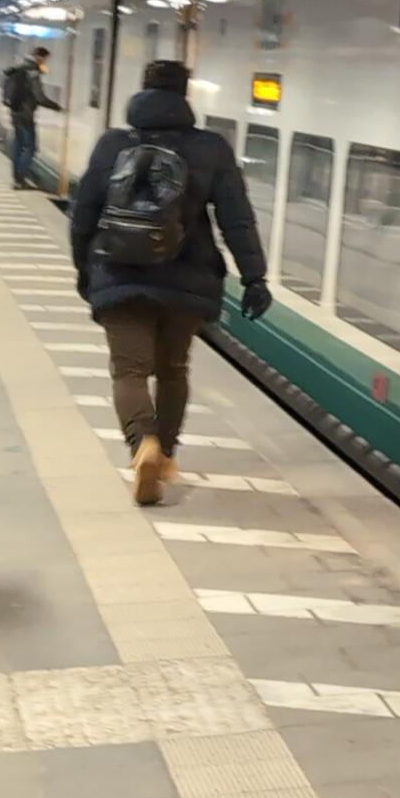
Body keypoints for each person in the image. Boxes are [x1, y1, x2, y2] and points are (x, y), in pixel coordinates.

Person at [67, 60, 268, 506]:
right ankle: (168, 454)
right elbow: (236, 219)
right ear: (185, 95)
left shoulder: (113, 144)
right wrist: (255, 277)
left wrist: (85, 270)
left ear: (142, 90)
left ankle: (143, 445)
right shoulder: (211, 149)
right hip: (188, 281)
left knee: (129, 371)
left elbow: (82, 215)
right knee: (173, 370)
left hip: (119, 275)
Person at [1, 47, 61, 190]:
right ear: (40, 57)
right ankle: (20, 179)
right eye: (45, 59)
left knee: (18, 146)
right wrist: (56, 106)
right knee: (31, 148)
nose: (45, 62)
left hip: (15, 113)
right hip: (26, 115)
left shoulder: (18, 68)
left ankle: (16, 179)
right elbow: (39, 97)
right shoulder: (33, 72)